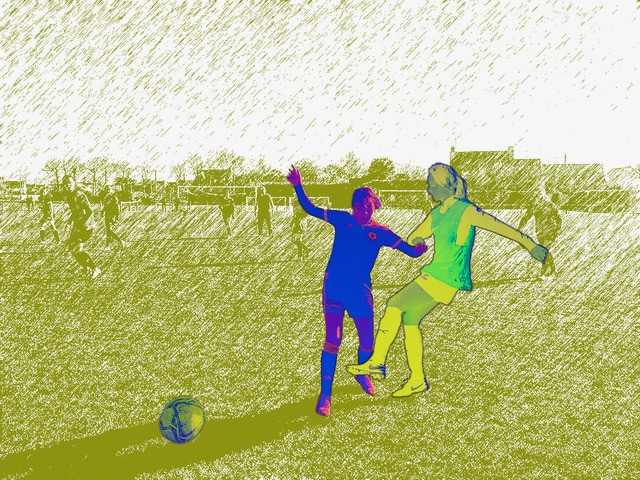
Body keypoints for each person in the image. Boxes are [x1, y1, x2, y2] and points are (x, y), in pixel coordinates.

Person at [347, 163, 548, 397]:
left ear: (444, 185)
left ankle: (377, 362)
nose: (428, 189)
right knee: (410, 321)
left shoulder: (466, 210)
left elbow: (501, 227)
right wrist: (418, 239)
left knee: (394, 304)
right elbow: (415, 236)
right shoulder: (436, 214)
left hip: (446, 277)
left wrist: (530, 245)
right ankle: (417, 380)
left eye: (431, 185)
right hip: (436, 274)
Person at [287, 166, 428, 416]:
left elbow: (410, 251)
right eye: (359, 206)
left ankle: (363, 375)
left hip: (360, 290)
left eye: (368, 206)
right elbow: (310, 209)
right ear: (353, 206)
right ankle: (325, 395)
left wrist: (419, 249)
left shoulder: (381, 232)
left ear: (375, 206)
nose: (363, 210)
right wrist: (298, 186)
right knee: (333, 340)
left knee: (367, 342)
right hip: (335, 286)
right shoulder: (343, 220)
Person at [62, 175, 101, 278]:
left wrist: (82, 223)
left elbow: (89, 211)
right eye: (65, 183)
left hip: (86, 226)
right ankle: (86, 268)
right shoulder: (69, 196)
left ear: (74, 183)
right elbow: (75, 212)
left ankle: (95, 269)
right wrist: (69, 223)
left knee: (78, 249)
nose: (68, 185)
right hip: (78, 226)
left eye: (70, 182)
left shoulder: (79, 195)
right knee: (72, 249)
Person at [517, 185, 561, 276]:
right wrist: (520, 227)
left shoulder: (550, 205)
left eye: (538, 194)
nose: (536, 197)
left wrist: (557, 229)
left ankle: (544, 272)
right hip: (540, 231)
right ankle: (552, 268)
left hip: (550, 230)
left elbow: (558, 219)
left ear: (543, 195)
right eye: (535, 195)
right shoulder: (534, 206)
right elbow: (526, 217)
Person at [102, 186, 124, 250]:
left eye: (108, 190)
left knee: (109, 230)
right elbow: (105, 206)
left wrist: (116, 218)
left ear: (111, 190)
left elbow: (117, 209)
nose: (107, 191)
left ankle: (120, 241)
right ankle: (107, 246)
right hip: (107, 215)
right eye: (106, 190)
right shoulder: (106, 197)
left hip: (112, 215)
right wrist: (102, 211)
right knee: (108, 231)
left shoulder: (114, 197)